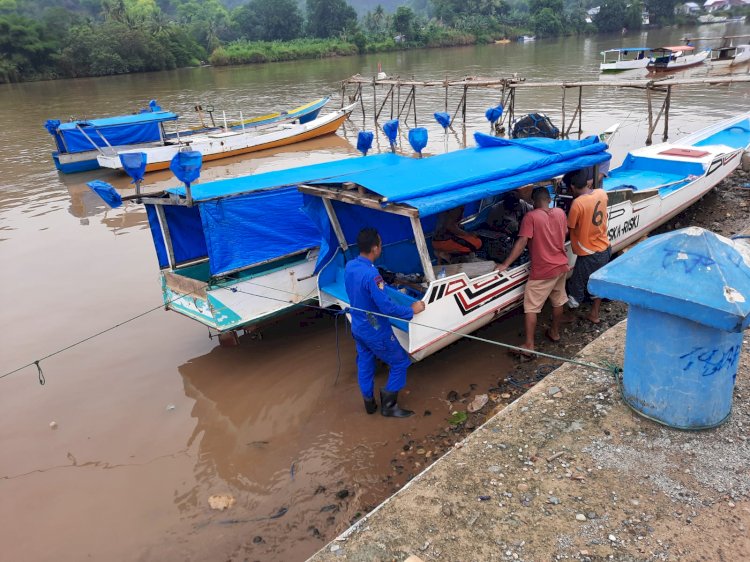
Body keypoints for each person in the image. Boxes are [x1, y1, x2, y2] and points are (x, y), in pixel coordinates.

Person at [344, 227, 426, 417]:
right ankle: (389, 406)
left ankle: (369, 403)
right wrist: (411, 310)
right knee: (400, 362)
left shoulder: (351, 266)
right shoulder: (373, 276)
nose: (381, 247)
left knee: (365, 362)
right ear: (374, 249)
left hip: (358, 325)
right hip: (375, 328)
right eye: (380, 244)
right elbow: (387, 308)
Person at [495, 187, 569, 354]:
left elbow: (521, 243)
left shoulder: (531, 217)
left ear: (533, 202)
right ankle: (555, 333)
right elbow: (564, 232)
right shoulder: (560, 213)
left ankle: (529, 345)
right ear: (549, 199)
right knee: (558, 300)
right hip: (561, 265)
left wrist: (505, 265)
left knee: (531, 308)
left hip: (543, 270)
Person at [567, 170, 611, 324]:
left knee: (576, 286)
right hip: (604, 247)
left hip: (588, 252)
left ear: (572, 187)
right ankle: (594, 314)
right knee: (596, 282)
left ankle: (571, 315)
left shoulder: (577, 204)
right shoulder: (601, 193)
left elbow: (570, 227)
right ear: (588, 183)